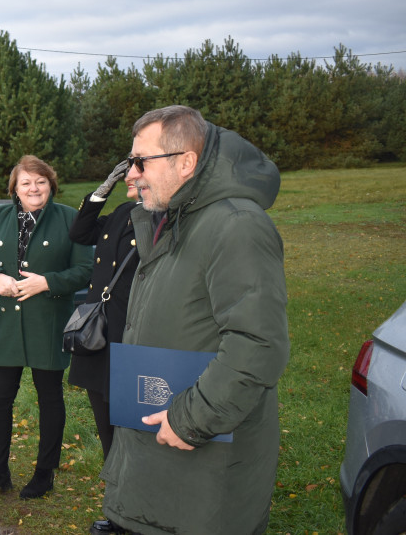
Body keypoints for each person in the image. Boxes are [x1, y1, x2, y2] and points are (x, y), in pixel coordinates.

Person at [96, 105, 290, 535]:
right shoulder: (169, 219)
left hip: (205, 458)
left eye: (141, 161)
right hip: (161, 456)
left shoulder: (236, 226)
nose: (132, 174)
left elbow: (258, 344)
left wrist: (191, 419)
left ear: (186, 162)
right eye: (131, 162)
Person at [0, 155, 93, 502]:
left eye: (40, 181)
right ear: (15, 189)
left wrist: (47, 282)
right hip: (4, 325)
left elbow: (85, 269)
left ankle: (44, 474)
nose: (34, 188)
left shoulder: (71, 219)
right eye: (26, 183)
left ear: (51, 184)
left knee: (50, 399)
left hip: (47, 324)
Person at [68, 161, 139, 462]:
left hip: (129, 333)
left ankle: (130, 496)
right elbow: (81, 233)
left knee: (130, 424)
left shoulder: (164, 218)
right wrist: (102, 190)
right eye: (126, 171)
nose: (128, 176)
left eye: (139, 169)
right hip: (97, 332)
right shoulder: (124, 212)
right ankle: (115, 499)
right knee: (104, 420)